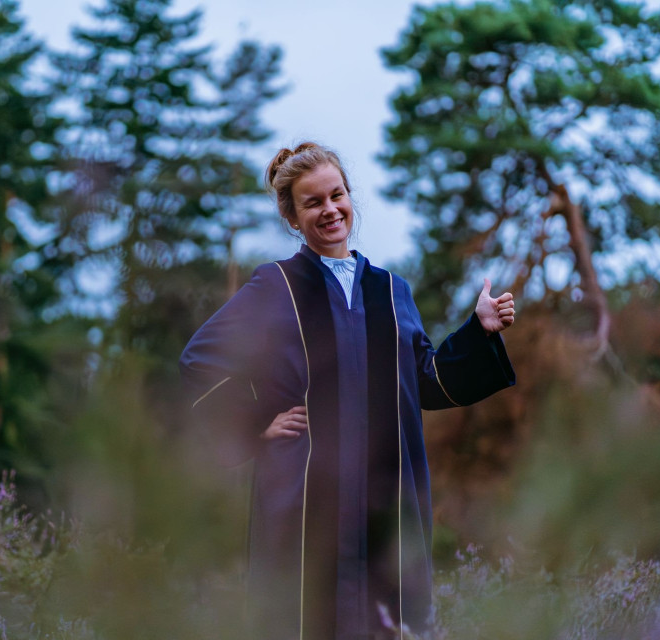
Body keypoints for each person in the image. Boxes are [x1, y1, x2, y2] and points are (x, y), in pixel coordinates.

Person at [179, 142, 515, 640]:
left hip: (387, 496)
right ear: (293, 217)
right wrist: (257, 421)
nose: (330, 210)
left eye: (337, 195)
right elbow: (200, 360)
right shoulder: (276, 287)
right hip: (305, 496)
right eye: (313, 202)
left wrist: (478, 330)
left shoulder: (391, 290)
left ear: (350, 198)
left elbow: (427, 380)